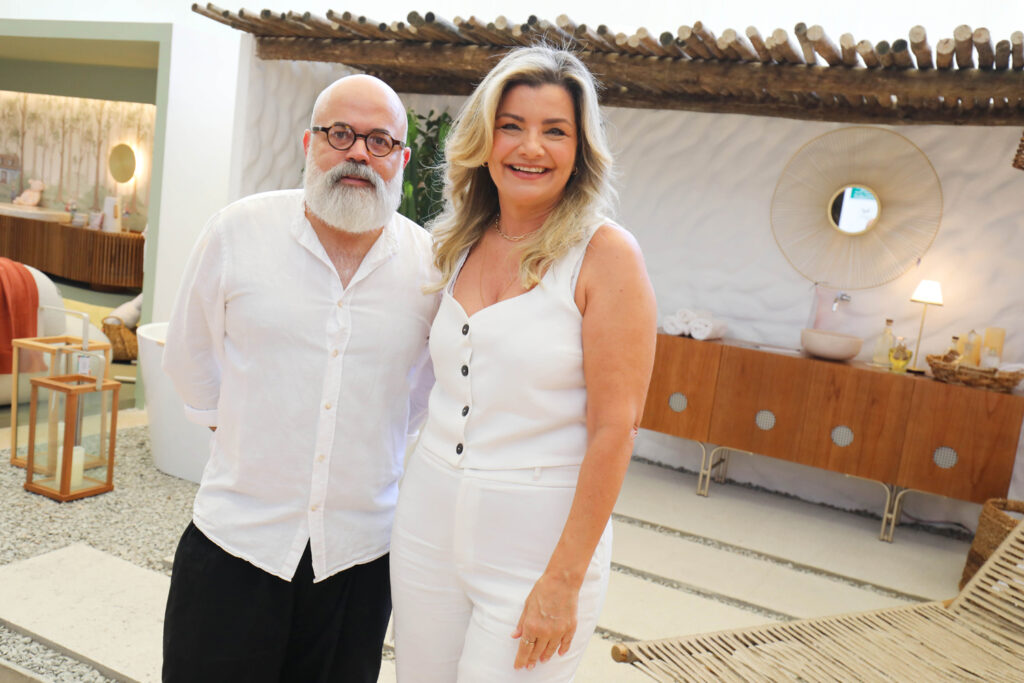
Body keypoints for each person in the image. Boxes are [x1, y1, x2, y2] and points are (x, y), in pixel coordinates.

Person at [390, 45, 657, 681]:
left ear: (580, 150)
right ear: (485, 140)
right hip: (426, 524)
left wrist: (565, 578)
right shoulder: (454, 243)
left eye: (554, 131)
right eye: (511, 126)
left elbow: (616, 428)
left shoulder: (606, 255)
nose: (530, 147)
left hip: (537, 545)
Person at [161, 74, 439, 682]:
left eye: (379, 141)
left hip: (358, 561)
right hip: (237, 543)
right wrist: (245, 435)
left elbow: (420, 395)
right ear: (310, 143)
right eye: (340, 134)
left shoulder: (428, 268)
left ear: (401, 160)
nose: (358, 153)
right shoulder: (237, 232)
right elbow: (189, 356)